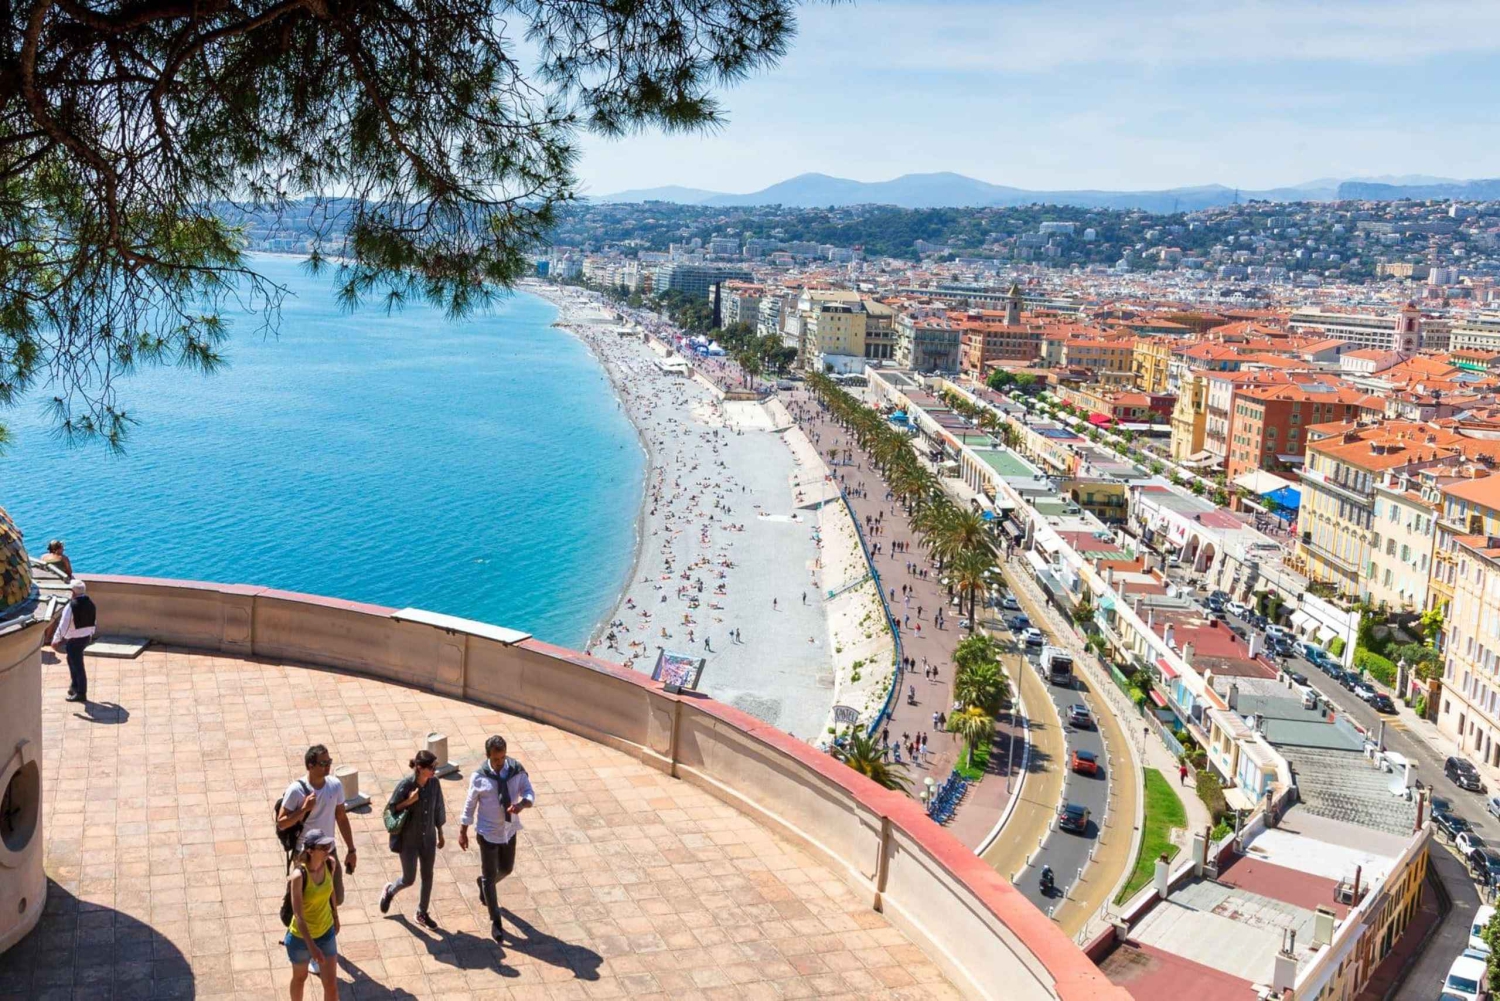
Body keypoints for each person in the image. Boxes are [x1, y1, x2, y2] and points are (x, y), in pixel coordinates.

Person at [459, 735, 536, 943]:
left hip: (509, 830)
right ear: (488, 756)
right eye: (495, 759)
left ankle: (484, 884)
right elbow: (470, 805)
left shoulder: (516, 771)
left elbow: (529, 792)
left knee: (507, 868)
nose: (500, 762)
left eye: (502, 758)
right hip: (488, 833)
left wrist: (522, 805)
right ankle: (496, 921)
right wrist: (463, 831)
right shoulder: (479, 777)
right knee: (490, 874)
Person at [277, 746, 356, 906]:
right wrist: (304, 809)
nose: (328, 766)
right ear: (310, 766)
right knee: (305, 901)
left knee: (337, 897)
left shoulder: (335, 785)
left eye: (329, 762)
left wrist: (351, 850)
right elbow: (282, 822)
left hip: (328, 851)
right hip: (305, 855)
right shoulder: (296, 790)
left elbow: (341, 817)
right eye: (323, 763)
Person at [379, 750, 446, 927]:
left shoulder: (434, 784)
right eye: (431, 767)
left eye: (435, 767)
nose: (434, 771)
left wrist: (440, 832)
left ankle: (422, 912)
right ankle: (390, 890)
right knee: (409, 879)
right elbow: (391, 810)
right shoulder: (406, 785)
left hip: (428, 839)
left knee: (428, 875)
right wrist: (409, 801)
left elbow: (438, 807)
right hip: (408, 841)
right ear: (419, 768)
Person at [284, 827, 340, 1001]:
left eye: (328, 846)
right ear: (310, 850)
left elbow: (331, 891)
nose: (327, 850)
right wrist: (312, 947)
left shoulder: (330, 863)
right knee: (300, 978)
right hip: (300, 939)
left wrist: (335, 916)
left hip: (326, 932)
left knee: (331, 987)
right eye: (323, 848)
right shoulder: (298, 876)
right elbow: (298, 916)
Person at [52, 579, 96, 703]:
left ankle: (81, 692)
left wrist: (56, 640)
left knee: (78, 665)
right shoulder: (90, 603)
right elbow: (94, 620)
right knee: (71, 660)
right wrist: (91, 633)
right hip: (85, 638)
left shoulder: (71, 606)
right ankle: (74, 686)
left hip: (74, 639)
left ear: (72, 592)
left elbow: (63, 625)